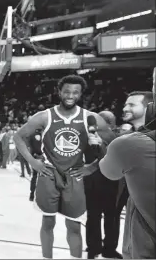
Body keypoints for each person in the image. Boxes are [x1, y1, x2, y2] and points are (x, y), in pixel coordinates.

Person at [13, 75, 116, 259]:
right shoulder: (44, 116)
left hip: (75, 175)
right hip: (48, 173)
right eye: (67, 91)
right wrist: (32, 162)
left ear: (81, 94)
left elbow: (115, 145)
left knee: (74, 226)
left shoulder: (91, 118)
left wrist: (92, 167)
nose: (70, 95)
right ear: (59, 92)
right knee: (48, 222)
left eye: (75, 92)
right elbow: (18, 137)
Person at [100, 68, 156, 259]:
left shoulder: (129, 144)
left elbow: (107, 170)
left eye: (132, 105)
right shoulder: (126, 139)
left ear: (150, 106)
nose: (125, 108)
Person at [84, 110, 122, 259]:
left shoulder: (86, 135)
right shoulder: (116, 138)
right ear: (111, 124)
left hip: (91, 181)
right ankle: (109, 248)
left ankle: (93, 247)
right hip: (110, 182)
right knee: (111, 216)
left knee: (93, 215)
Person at [28, 128, 43, 202]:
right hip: (42, 158)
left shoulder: (31, 135)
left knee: (34, 176)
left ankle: (32, 194)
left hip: (34, 157)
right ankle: (40, 195)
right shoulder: (44, 135)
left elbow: (30, 147)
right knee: (42, 177)